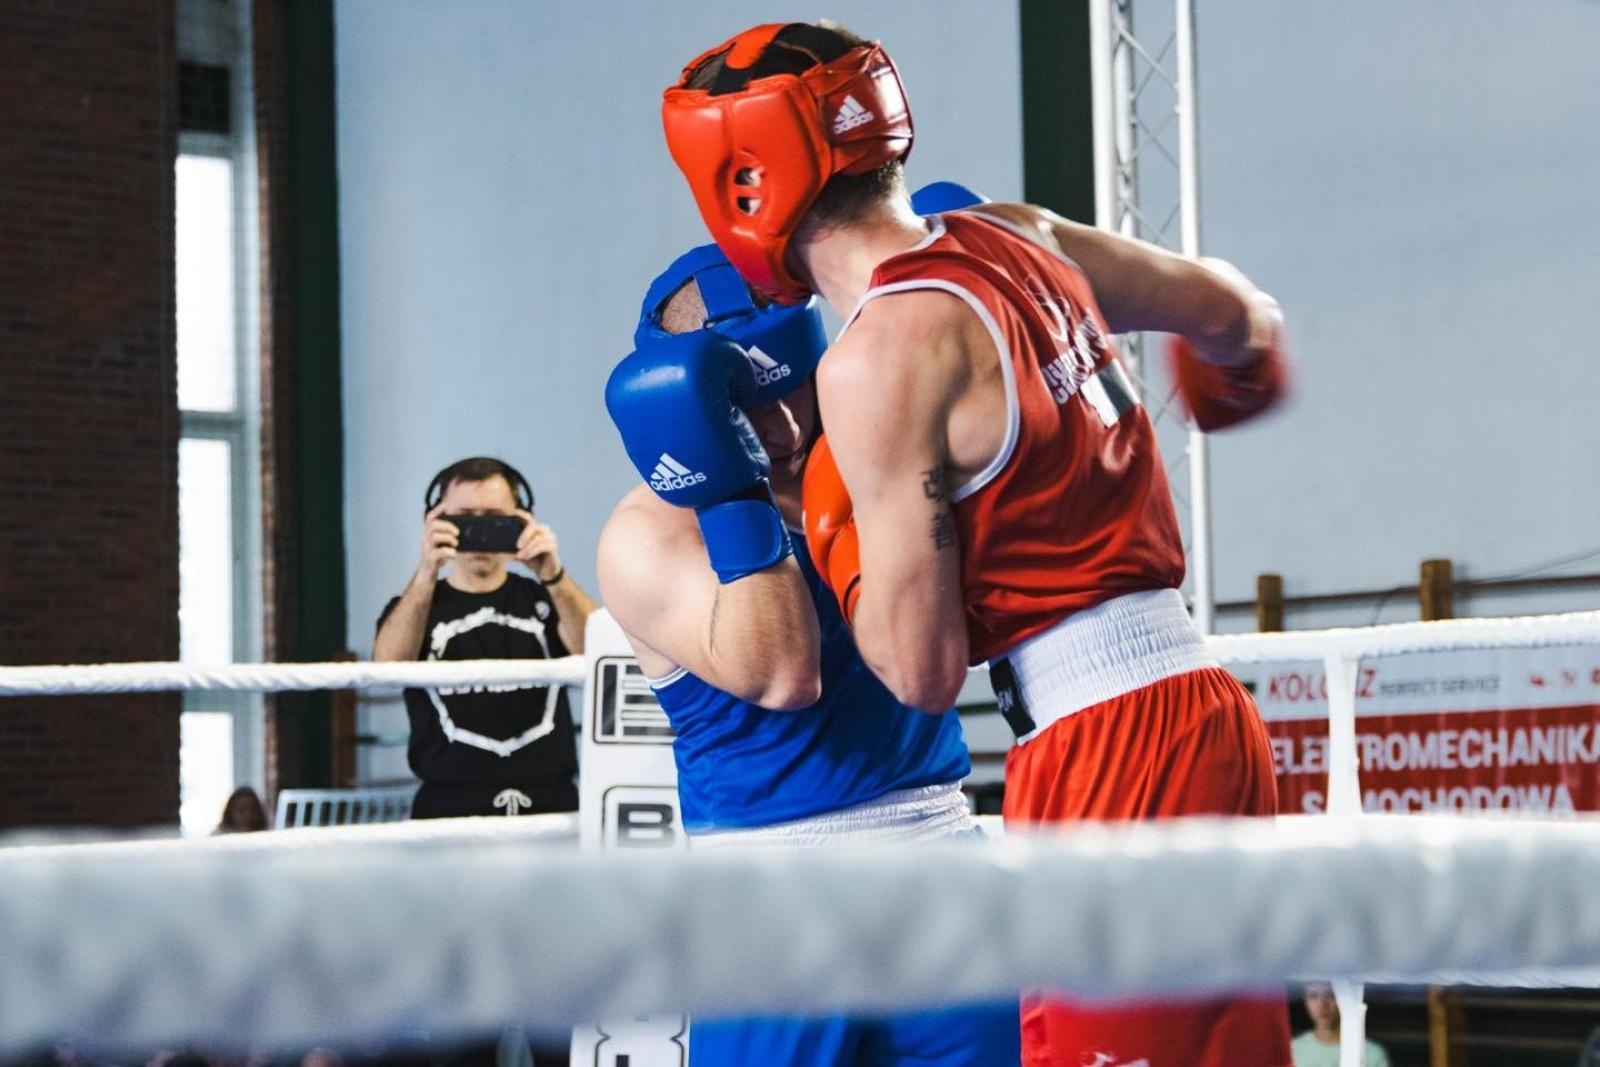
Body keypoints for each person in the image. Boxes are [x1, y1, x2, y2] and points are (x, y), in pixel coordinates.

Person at [661, 22, 1291, 1067]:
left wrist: (830, 510)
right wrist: (1234, 365)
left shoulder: (877, 360)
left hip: (1109, 753)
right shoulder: (1015, 234)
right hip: (1200, 715)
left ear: (740, 180)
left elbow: (919, 670)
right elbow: (1231, 309)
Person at [597, 243, 1020, 1066]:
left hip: (936, 854)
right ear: (687, 406)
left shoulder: (877, 463)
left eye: (795, 385)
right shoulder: (644, 535)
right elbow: (784, 672)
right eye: (746, 407)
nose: (787, 427)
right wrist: (727, 484)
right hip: (769, 899)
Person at [374, 457, 597, 820]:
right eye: (464, 517)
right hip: (447, 806)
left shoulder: (546, 597)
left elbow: (602, 655)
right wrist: (427, 571)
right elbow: (385, 673)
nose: (479, 532)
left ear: (522, 520)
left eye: (494, 517)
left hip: (550, 802)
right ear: (435, 520)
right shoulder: (415, 605)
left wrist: (553, 574)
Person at [1291, 983, 1390, 1067]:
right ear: (1305, 1001)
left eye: (1331, 995)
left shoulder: (1372, 1054)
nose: (1322, 1004)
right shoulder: (1292, 1050)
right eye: (1313, 996)